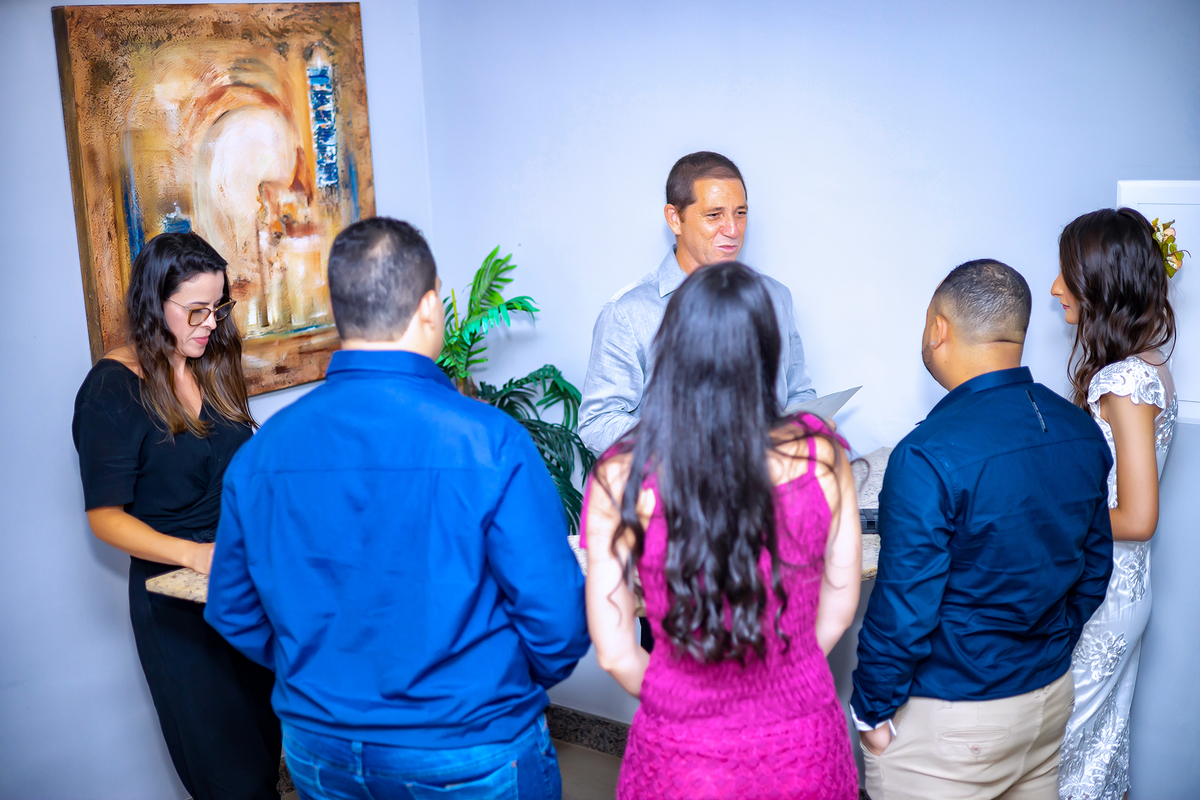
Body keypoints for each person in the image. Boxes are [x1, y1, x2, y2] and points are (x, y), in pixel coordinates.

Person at [204, 217, 590, 800]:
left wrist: (319, 674)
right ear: (430, 307)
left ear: (340, 313)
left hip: (320, 750)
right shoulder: (490, 441)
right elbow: (556, 618)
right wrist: (492, 686)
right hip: (466, 744)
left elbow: (233, 608)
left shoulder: (262, 453)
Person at [583, 261, 862, 800]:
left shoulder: (621, 473)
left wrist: (681, 698)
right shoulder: (820, 454)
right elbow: (838, 608)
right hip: (801, 737)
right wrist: (788, 677)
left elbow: (616, 653)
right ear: (768, 351)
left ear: (671, 349)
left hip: (680, 751)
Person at [851, 260, 1114, 800]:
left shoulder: (926, 453)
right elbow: (1094, 570)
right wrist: (1047, 649)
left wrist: (870, 711)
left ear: (938, 329)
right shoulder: (1080, 430)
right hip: (1047, 702)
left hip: (954, 720)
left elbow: (905, 607)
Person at [71, 232, 280, 800]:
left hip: (240, 587)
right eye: (196, 310)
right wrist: (194, 554)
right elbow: (105, 518)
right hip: (175, 602)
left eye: (218, 308)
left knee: (268, 751)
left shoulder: (210, 364)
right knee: (232, 779)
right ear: (152, 303)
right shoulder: (111, 391)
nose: (211, 323)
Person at [1052, 208, 1178, 800]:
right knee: (1096, 751)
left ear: (1099, 284)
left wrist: (1049, 515)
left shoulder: (1123, 381)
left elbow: (1138, 517)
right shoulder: (1146, 364)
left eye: (1066, 274)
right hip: (1123, 589)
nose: (1056, 287)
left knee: (1061, 755)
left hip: (1104, 595)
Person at [577, 151, 816, 455]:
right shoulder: (628, 313)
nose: (732, 230)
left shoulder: (776, 297)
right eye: (714, 215)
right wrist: (691, 446)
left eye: (740, 213)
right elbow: (598, 423)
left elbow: (798, 393)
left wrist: (806, 427)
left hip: (768, 479)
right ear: (674, 218)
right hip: (675, 483)